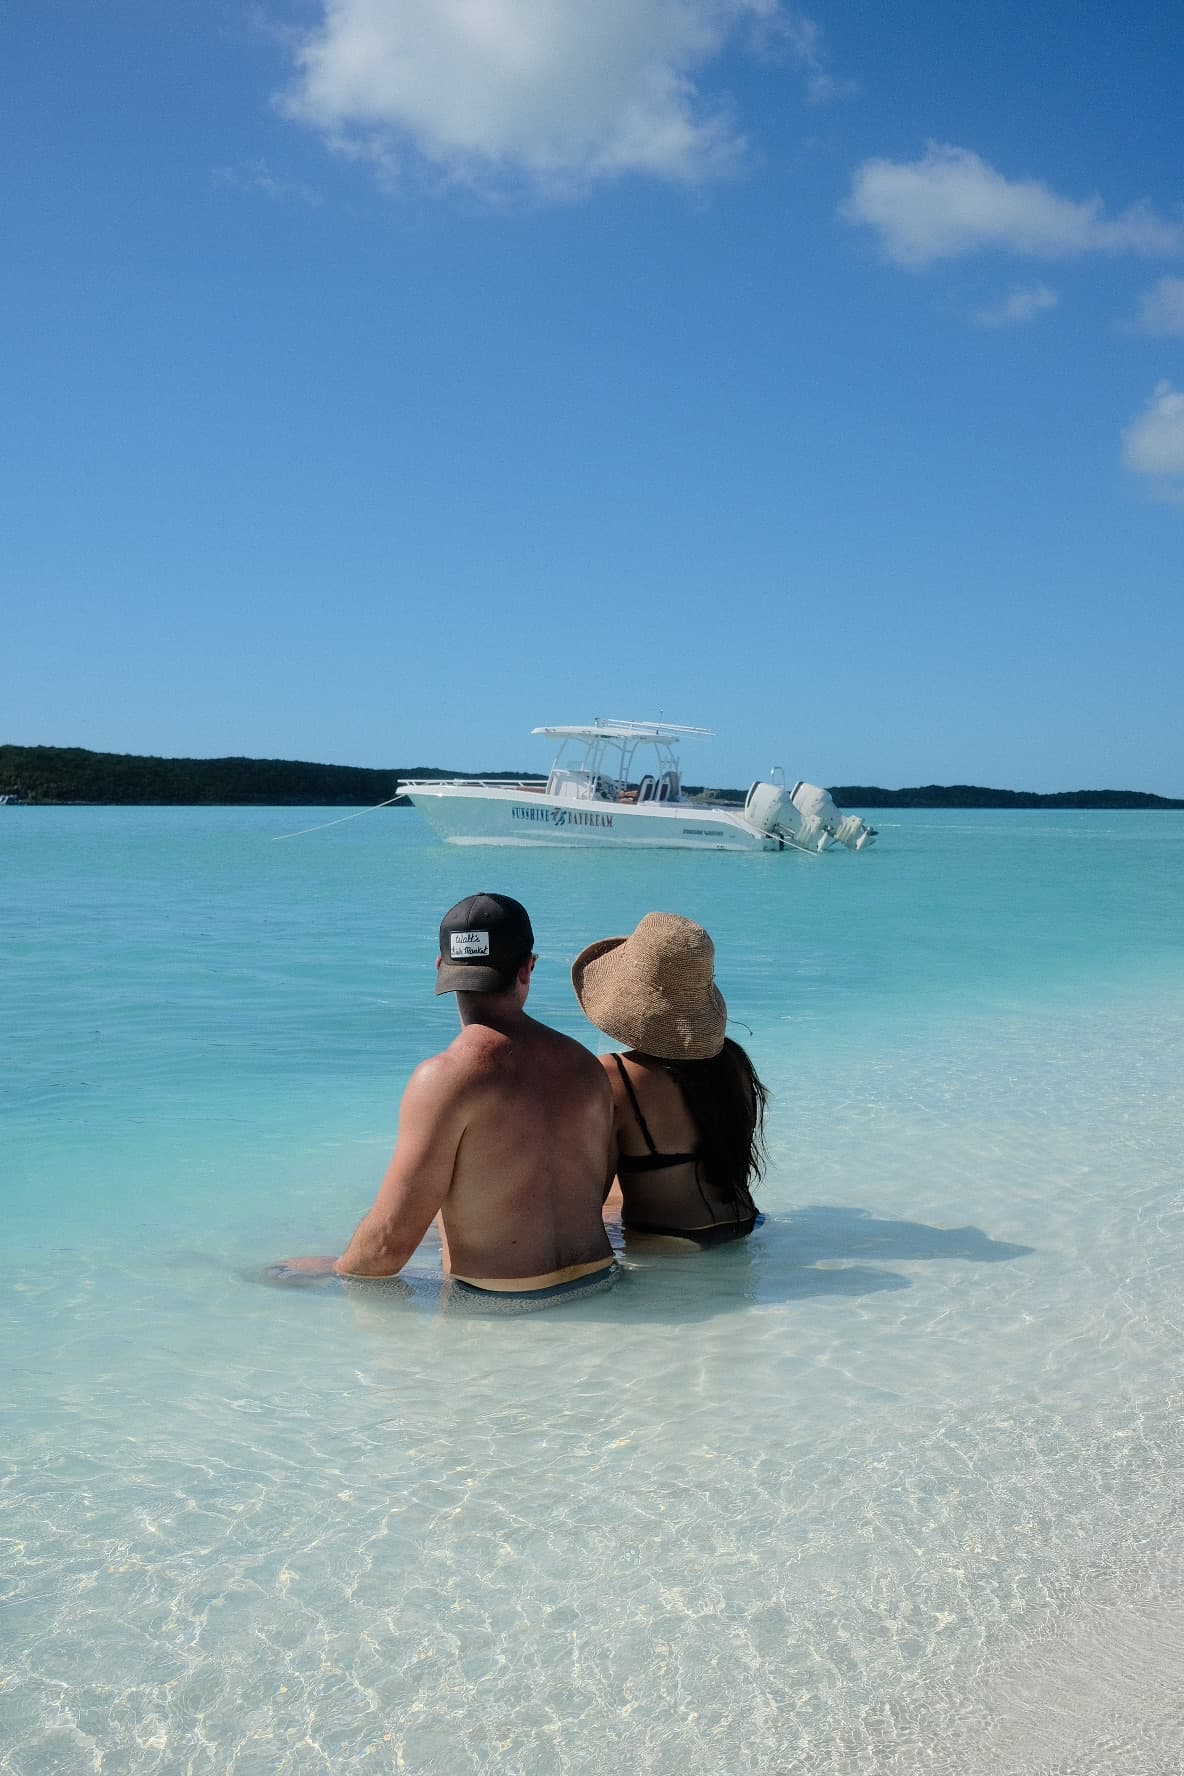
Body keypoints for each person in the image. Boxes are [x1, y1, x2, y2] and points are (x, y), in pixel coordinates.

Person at [272, 893, 619, 1305]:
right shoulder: (588, 1067)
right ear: (527, 968)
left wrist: (328, 1270)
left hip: (499, 1308)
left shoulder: (446, 1078)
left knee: (276, 1278)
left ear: (441, 967)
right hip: (603, 1286)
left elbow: (387, 1247)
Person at [571, 912, 769, 1242]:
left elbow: (588, 1200)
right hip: (746, 1226)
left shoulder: (614, 1076)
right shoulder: (733, 1062)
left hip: (667, 1242)